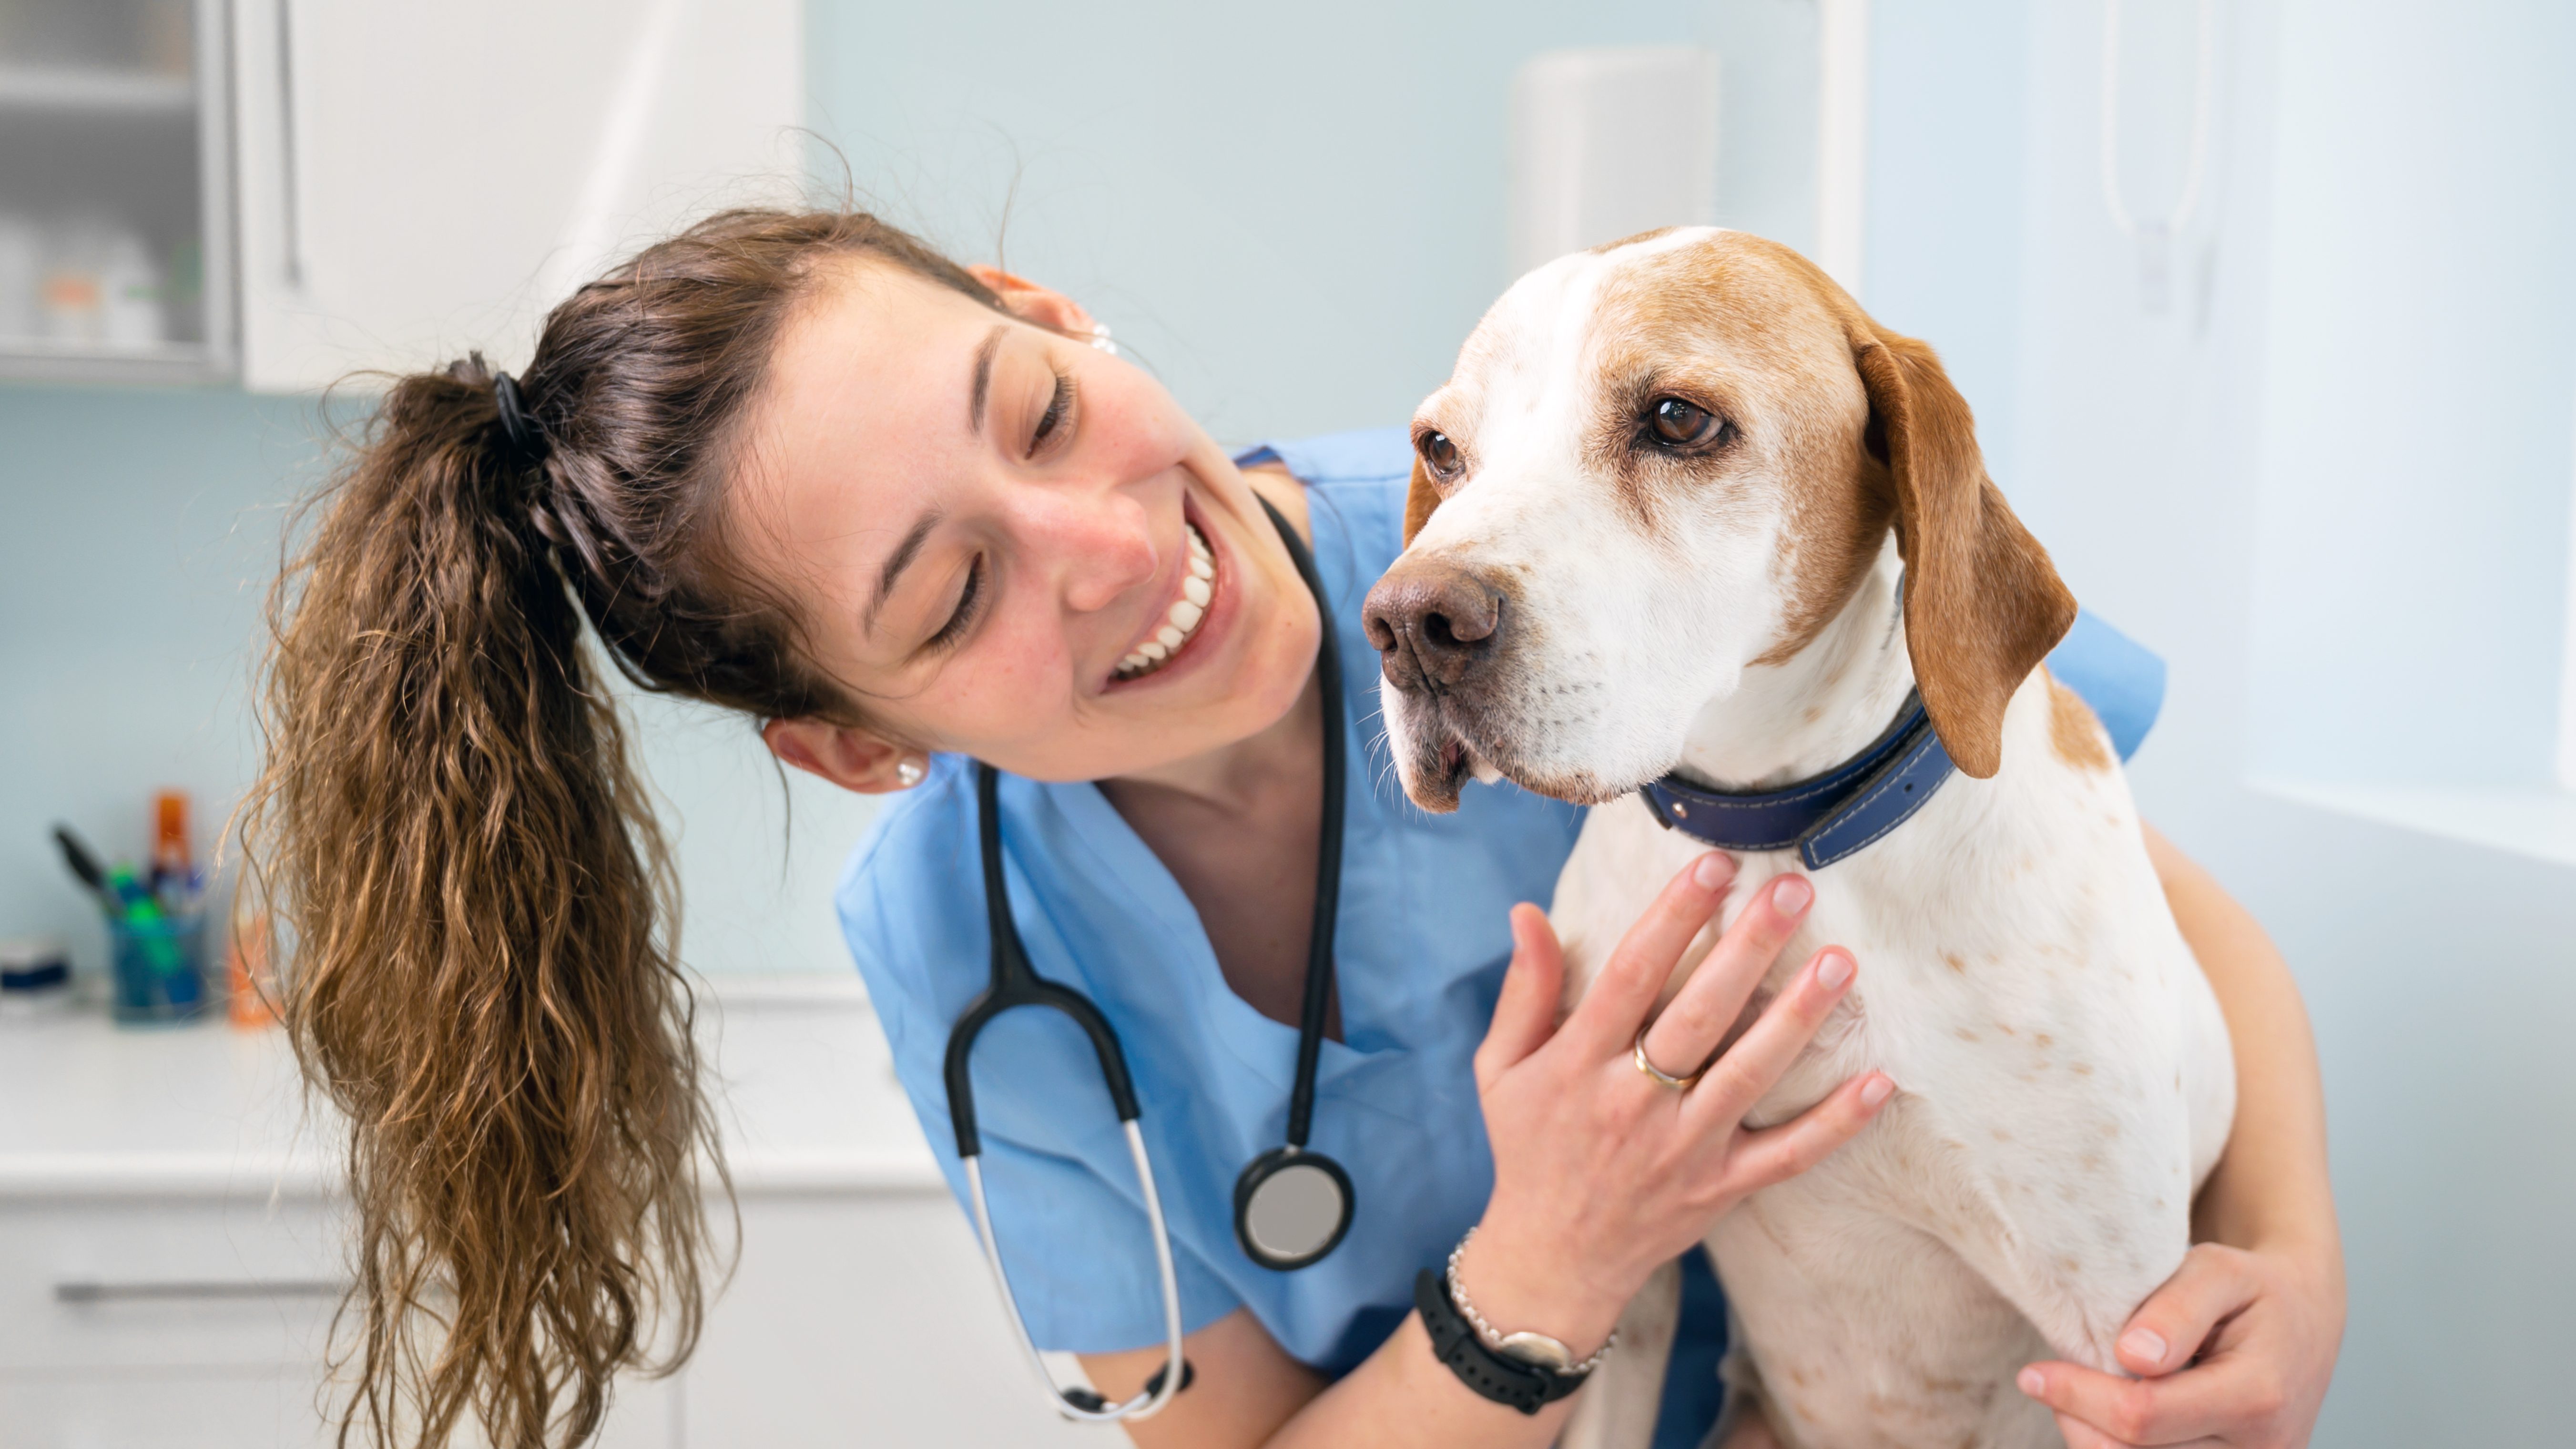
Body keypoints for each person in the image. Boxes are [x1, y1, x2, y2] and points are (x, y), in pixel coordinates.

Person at [247, 208, 2344, 1449]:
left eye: (1039, 411)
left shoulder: (1476, 547)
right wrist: (1547, 1252)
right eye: (949, 596)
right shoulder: (967, 950)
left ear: (1050, 309)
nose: (1098, 545)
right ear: (854, 744)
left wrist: (2294, 1257)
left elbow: (2115, 898)